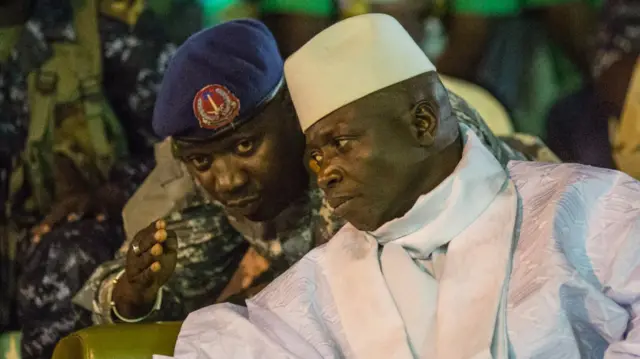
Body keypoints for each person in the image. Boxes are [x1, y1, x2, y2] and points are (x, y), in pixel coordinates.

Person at [157, 14, 640, 359]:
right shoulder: (322, 280)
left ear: (424, 122)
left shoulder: (586, 206)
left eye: (341, 143)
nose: (325, 172)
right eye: (317, 155)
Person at [76, 18, 557, 328]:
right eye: (202, 160)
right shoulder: (211, 185)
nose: (228, 180)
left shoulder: (371, 136)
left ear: (291, 110)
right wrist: (132, 296)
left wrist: (266, 295)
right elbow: (134, 288)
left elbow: (471, 247)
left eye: (246, 145)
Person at [0, 0, 177, 357]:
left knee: (72, 251)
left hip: (58, 241)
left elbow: (181, 150)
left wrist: (108, 192)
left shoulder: (98, 29)